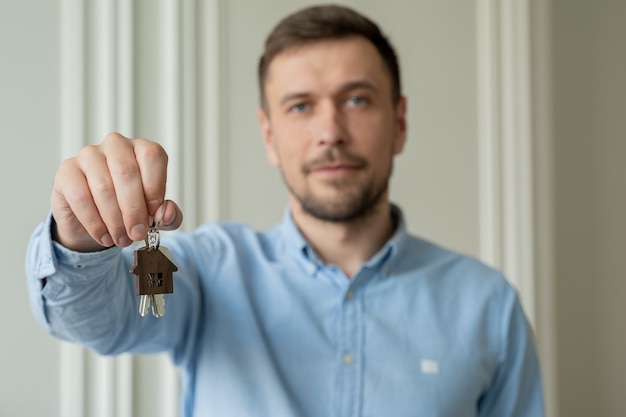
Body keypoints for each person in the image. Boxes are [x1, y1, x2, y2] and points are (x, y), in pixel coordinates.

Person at [26, 5, 544, 417]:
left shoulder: (487, 305)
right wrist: (80, 240)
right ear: (269, 136)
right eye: (301, 106)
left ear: (400, 122)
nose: (330, 132)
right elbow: (94, 321)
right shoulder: (208, 272)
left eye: (358, 100)